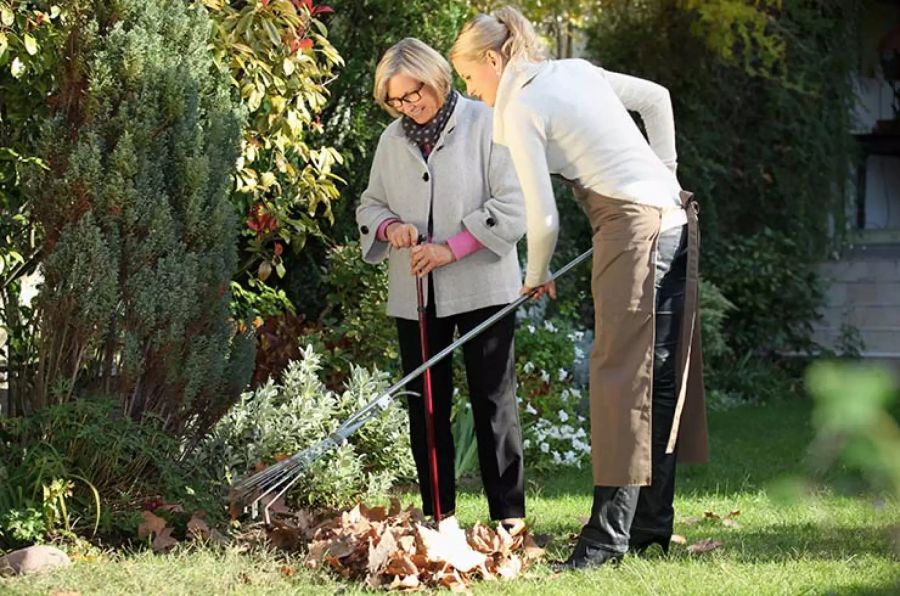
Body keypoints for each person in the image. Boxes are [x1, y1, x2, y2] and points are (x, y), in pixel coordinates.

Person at [450, 6, 709, 568]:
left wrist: (534, 274)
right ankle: (648, 528)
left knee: (618, 379)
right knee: (656, 377)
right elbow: (656, 98)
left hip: (634, 227)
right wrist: (665, 176)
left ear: (495, 60)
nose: (472, 90)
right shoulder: (576, 69)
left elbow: (544, 222)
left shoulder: (520, 106)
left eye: (471, 77)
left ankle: (604, 543)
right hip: (672, 221)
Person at [356, 37, 528, 533]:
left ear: (435, 79)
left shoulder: (485, 122)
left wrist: (450, 249)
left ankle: (508, 524)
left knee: (494, 402)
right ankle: (439, 519)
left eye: (414, 95)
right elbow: (369, 206)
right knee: (426, 407)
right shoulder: (392, 140)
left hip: (485, 288)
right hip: (417, 294)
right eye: (397, 101)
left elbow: (512, 206)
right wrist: (392, 228)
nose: (408, 107)